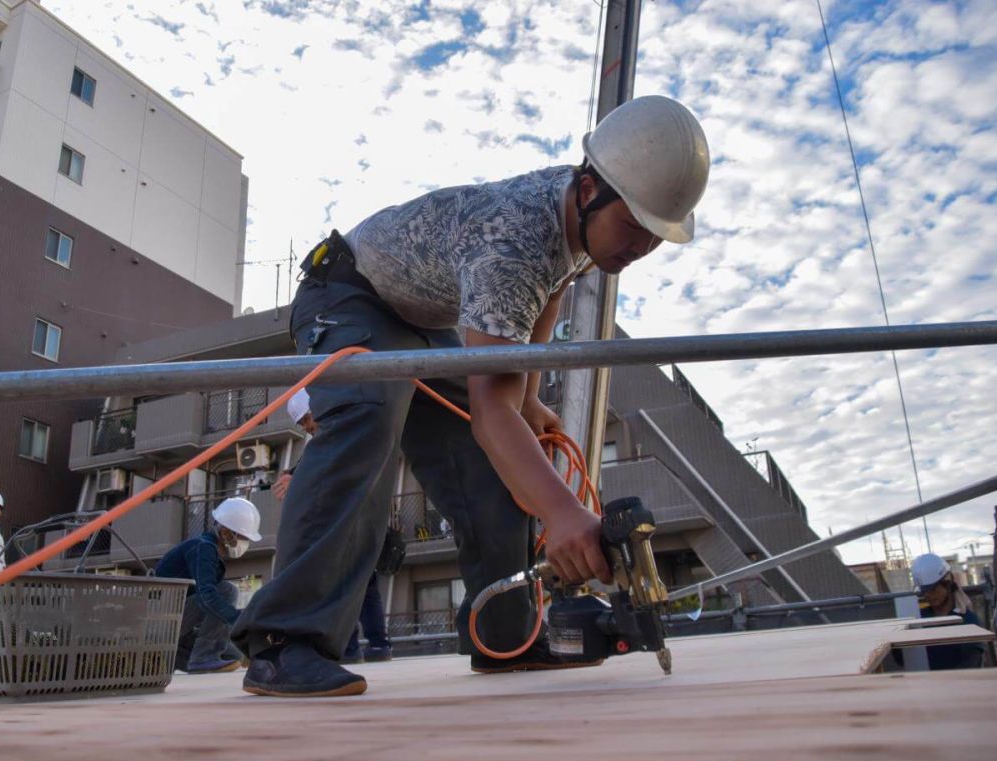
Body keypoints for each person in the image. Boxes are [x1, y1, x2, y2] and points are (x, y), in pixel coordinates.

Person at [231, 96, 710, 697]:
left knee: (494, 460)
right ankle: (284, 644)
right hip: (349, 295)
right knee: (369, 416)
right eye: (635, 226)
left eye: (656, 235)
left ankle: (502, 637)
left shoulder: (577, 221)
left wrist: (529, 396)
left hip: (422, 318)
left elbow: (553, 290)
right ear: (590, 190)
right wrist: (562, 513)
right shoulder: (514, 240)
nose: (641, 247)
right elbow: (490, 407)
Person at [272, 388, 392, 664]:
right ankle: (377, 645)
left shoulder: (338, 432)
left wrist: (296, 478)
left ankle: (348, 648)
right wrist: (294, 474)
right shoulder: (344, 427)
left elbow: (329, 468)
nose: (308, 427)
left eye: (306, 419)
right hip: (361, 516)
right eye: (302, 424)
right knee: (364, 582)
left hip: (346, 518)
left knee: (337, 581)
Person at [157, 497, 262, 674]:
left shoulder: (207, 549)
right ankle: (203, 657)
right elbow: (207, 597)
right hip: (164, 621)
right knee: (227, 590)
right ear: (227, 532)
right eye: (244, 537)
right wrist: (240, 620)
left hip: (176, 630)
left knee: (234, 656)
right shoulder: (203, 547)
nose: (245, 543)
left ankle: (188, 656)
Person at [911, 553, 986, 671]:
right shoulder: (920, 618)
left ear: (947, 584)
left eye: (933, 589)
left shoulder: (967, 621)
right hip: (925, 683)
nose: (928, 595)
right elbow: (904, 658)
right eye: (925, 591)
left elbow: (972, 663)